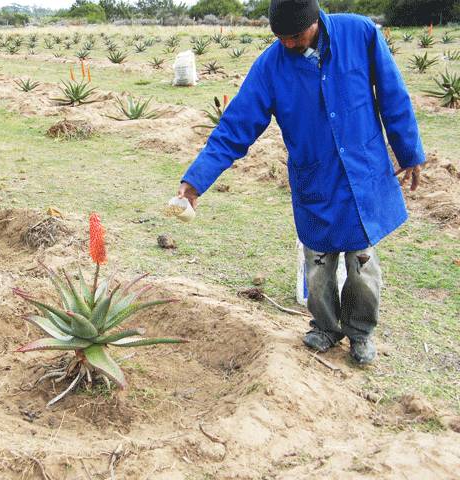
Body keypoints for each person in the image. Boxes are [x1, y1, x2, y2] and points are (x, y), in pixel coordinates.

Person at [177, 0, 425, 364]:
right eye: (281, 38)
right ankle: (325, 327)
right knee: (320, 265)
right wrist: (195, 181)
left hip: (362, 172)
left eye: (296, 35)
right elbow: (235, 128)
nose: (289, 44)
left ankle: (360, 332)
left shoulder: (360, 34)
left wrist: (409, 151)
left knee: (361, 263)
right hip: (316, 179)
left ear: (316, 19)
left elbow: (393, 94)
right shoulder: (270, 66)